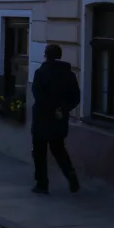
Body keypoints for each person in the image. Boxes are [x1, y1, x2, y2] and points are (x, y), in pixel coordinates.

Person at [30, 43, 81, 195]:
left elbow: (37, 94)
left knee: (39, 151)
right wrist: (62, 109)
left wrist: (50, 108)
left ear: (46, 56)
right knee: (58, 148)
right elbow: (75, 97)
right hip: (59, 119)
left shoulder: (41, 72)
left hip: (42, 118)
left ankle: (42, 184)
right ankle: (70, 172)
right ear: (59, 56)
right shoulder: (69, 74)